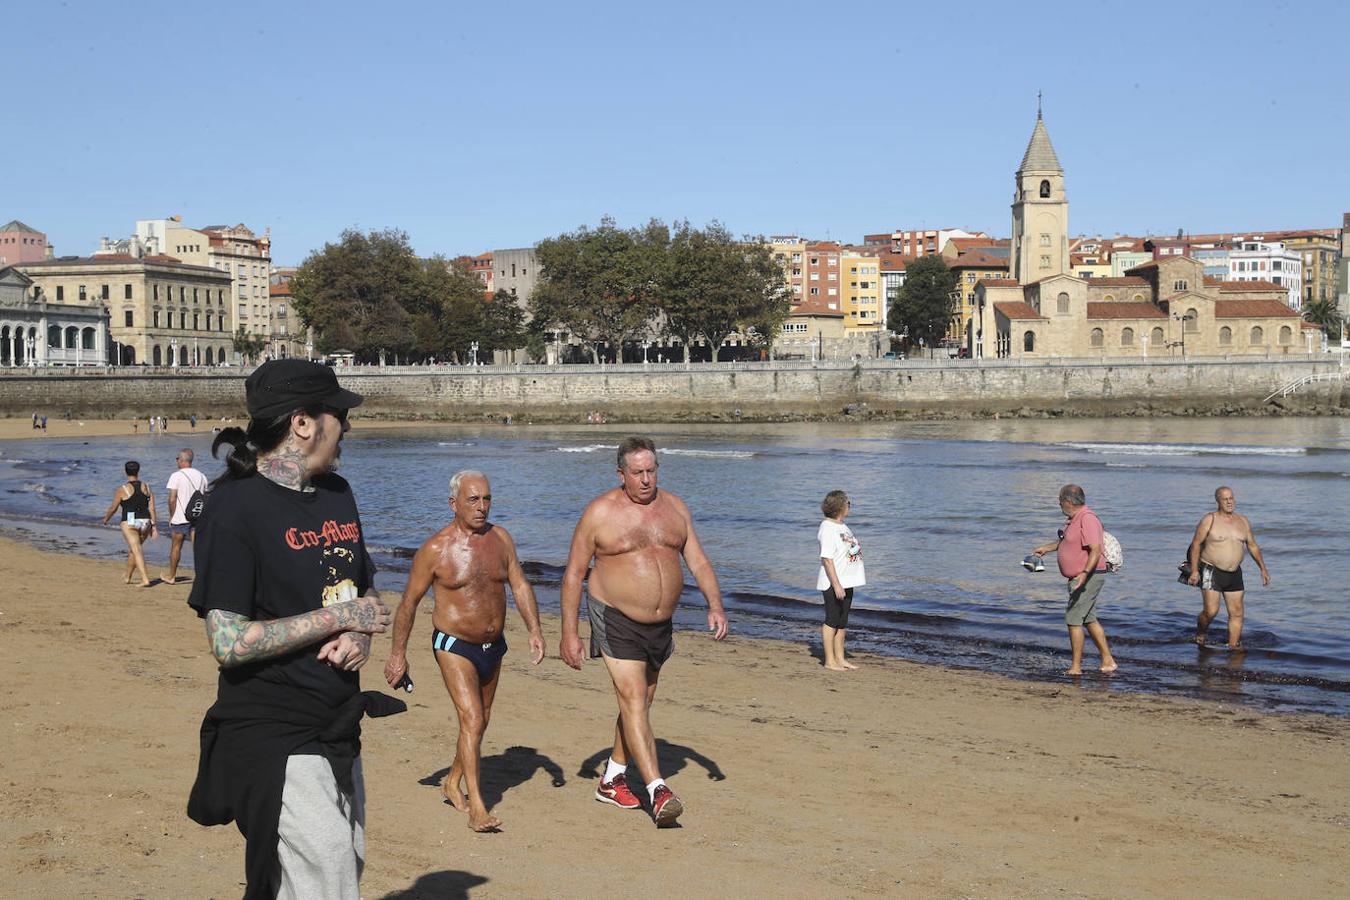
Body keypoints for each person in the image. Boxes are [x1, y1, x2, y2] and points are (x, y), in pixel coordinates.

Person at [185, 358, 395, 900]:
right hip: (269, 729)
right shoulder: (231, 508)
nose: (346, 426)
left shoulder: (337, 493)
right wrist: (340, 618)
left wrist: (360, 634)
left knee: (342, 866)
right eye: (338, 415)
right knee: (329, 879)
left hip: (339, 721)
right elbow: (228, 643)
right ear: (302, 423)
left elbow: (361, 593)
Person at [559, 436, 728, 827]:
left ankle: (613, 777)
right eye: (637, 473)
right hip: (613, 614)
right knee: (633, 697)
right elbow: (572, 575)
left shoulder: (675, 508)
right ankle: (658, 789)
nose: (646, 479)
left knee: (639, 704)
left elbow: (698, 560)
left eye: (651, 471)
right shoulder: (600, 513)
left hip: (660, 624)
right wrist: (570, 633)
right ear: (621, 474)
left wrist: (715, 605)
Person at [383, 470, 545, 833]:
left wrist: (535, 630)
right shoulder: (435, 549)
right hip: (453, 643)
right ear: (453, 503)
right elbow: (408, 603)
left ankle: (452, 781)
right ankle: (478, 808)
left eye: (487, 499)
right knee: (472, 718)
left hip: (494, 645)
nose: (482, 507)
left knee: (480, 719)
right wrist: (398, 655)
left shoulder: (500, 539)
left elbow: (518, 583)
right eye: (473, 500)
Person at [1032, 484, 1119, 675]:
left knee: (1073, 619)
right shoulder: (1073, 520)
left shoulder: (1087, 519)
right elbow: (1068, 543)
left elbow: (1096, 550)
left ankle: (1076, 667)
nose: (1059, 504)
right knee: (1089, 619)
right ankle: (1108, 660)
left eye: (1060, 501)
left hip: (1089, 576)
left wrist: (1084, 574)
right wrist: (1047, 548)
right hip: (1084, 577)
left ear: (1068, 501)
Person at [1188, 486, 1271, 648]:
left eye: (1231, 498)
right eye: (1225, 499)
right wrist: (1194, 571)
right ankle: (1200, 632)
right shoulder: (1209, 519)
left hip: (1234, 573)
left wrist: (1263, 569)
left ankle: (1233, 647)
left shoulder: (1243, 521)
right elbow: (1196, 545)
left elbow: (1252, 546)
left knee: (1237, 613)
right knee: (1211, 611)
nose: (1229, 502)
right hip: (1211, 570)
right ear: (1217, 501)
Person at [817, 490, 864, 671]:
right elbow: (827, 559)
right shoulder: (827, 528)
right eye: (848, 502)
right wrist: (836, 584)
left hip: (847, 580)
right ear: (840, 506)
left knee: (842, 621)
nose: (849, 505)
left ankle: (840, 658)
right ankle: (830, 661)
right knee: (832, 620)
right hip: (833, 582)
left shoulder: (842, 526)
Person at [100, 460, 157, 587]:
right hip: (145, 521)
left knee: (136, 549)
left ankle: (145, 579)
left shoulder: (123, 489)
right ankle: (128, 576)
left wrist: (106, 519)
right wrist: (154, 525)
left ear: (125, 472)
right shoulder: (147, 486)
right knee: (133, 549)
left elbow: (113, 508)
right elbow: (152, 508)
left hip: (130, 521)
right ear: (138, 471)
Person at [164, 448, 209, 585]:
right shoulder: (202, 476)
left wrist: (171, 516)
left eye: (177, 458)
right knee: (198, 548)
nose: (176, 461)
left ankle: (171, 575)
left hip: (180, 517)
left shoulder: (176, 476)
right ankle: (201, 577)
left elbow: (172, 499)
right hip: (198, 516)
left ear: (182, 460)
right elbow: (205, 497)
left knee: (176, 546)